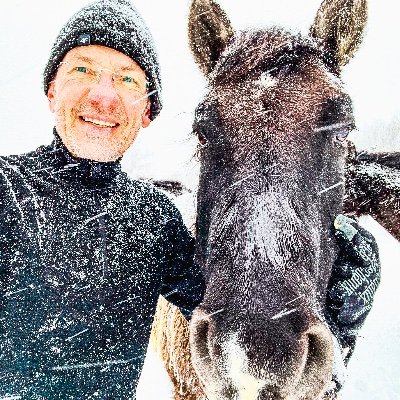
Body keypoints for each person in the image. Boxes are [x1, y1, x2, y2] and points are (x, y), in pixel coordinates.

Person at [0, 0, 380, 398]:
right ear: (51, 90)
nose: (104, 95)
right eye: (83, 69)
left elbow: (235, 314)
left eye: (128, 79)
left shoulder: (151, 219)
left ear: (147, 110)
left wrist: (337, 324)